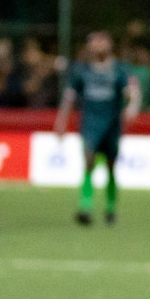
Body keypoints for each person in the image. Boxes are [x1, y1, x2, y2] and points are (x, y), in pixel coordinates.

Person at [54, 30, 142, 227]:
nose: (97, 45)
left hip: (111, 124)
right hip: (90, 123)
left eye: (101, 40)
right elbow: (69, 97)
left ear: (109, 44)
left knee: (111, 166)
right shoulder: (81, 70)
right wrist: (61, 121)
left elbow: (132, 92)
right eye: (93, 41)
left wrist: (132, 106)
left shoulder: (119, 69)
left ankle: (110, 208)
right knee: (88, 160)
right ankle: (85, 207)